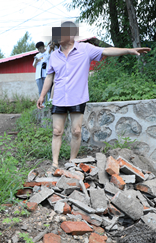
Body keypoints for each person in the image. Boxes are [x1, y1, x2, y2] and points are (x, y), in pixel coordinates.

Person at [37, 21, 151, 170]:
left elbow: (106, 51)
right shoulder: (54, 56)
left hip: (77, 97)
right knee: (57, 131)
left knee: (76, 131)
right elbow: (49, 77)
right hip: (59, 97)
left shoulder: (85, 49)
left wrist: (128, 51)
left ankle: (72, 161)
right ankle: (54, 164)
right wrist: (42, 95)